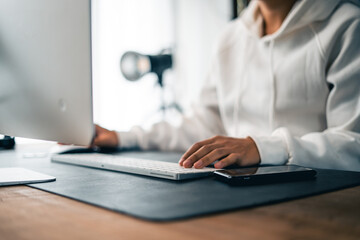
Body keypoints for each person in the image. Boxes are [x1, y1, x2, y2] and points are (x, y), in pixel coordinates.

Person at [93, 0, 360, 171]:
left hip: (318, 198)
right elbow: (203, 126)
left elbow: (353, 144)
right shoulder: (230, 38)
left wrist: (261, 147)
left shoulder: (347, 27)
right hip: (235, 193)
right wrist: (123, 138)